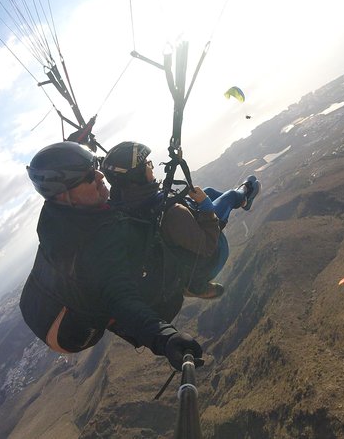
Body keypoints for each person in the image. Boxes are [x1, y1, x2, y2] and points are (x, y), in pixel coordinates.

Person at [19, 141, 202, 371]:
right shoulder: (94, 246)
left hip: (48, 296)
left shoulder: (57, 211)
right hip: (68, 332)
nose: (99, 176)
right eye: (88, 177)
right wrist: (165, 337)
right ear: (65, 195)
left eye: (95, 167)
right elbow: (122, 301)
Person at [101, 141, 261, 299]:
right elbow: (207, 245)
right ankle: (245, 194)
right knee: (230, 197)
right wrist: (206, 206)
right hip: (211, 257)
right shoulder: (172, 213)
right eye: (147, 164)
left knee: (209, 191)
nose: (151, 166)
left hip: (178, 252)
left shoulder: (125, 203)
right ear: (137, 176)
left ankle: (242, 200)